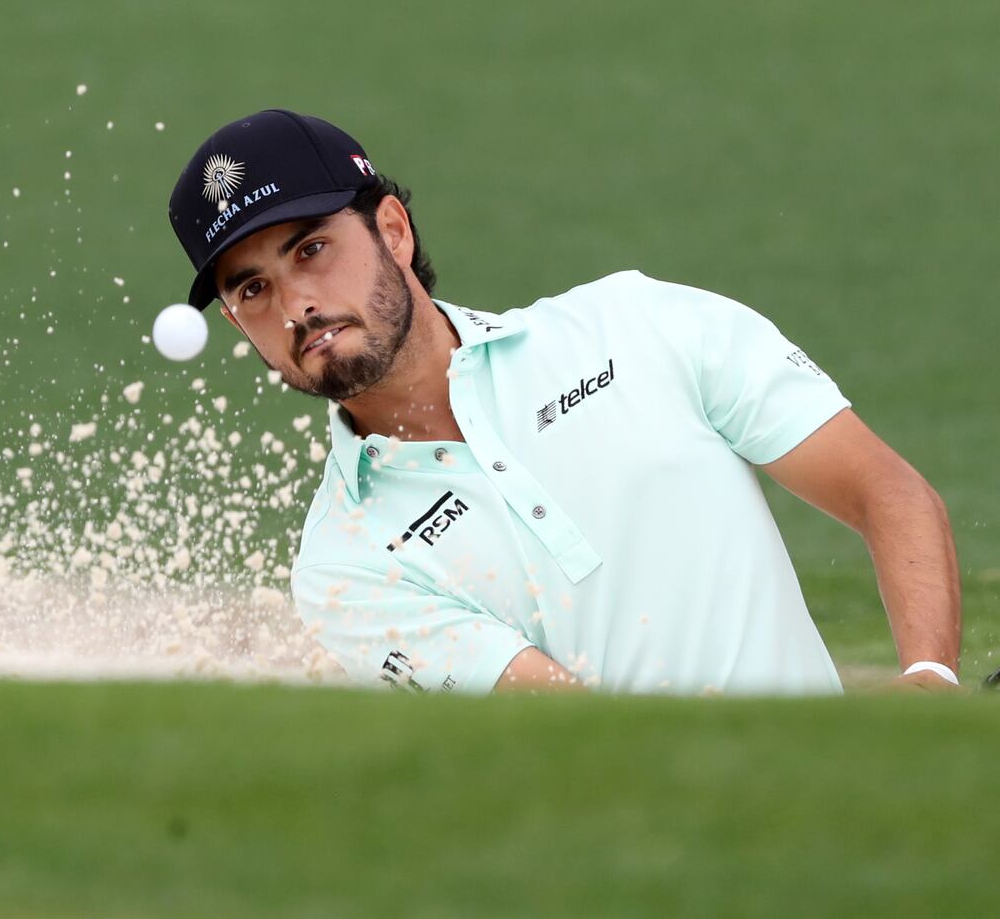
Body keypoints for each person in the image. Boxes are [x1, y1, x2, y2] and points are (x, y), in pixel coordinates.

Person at [167, 109, 962, 695]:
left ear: (394, 231)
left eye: (311, 249)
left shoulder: (636, 324)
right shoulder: (346, 567)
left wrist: (928, 681)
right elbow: (581, 735)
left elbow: (886, 493)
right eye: (253, 288)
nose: (296, 304)